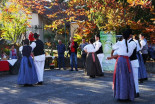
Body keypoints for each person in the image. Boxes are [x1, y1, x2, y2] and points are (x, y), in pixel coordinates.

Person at [107, 29, 135, 101]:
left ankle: (120, 95)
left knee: (120, 77)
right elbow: (130, 54)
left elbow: (113, 48)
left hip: (120, 60)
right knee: (127, 78)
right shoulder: (133, 43)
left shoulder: (119, 43)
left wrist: (112, 55)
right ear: (130, 35)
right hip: (127, 60)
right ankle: (127, 95)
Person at [127, 30, 140, 98]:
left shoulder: (132, 43)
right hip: (131, 61)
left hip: (133, 62)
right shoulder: (129, 42)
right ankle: (134, 92)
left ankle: (136, 92)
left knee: (135, 78)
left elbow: (129, 54)